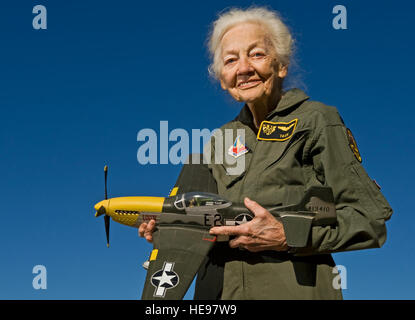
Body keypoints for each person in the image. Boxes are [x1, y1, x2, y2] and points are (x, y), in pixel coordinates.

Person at [138, 6, 393, 299]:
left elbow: (369, 219)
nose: (244, 68)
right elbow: (203, 221)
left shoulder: (317, 120)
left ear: (281, 65)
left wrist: (288, 237)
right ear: (223, 78)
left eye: (257, 54)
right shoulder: (218, 140)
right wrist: (170, 229)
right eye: (231, 60)